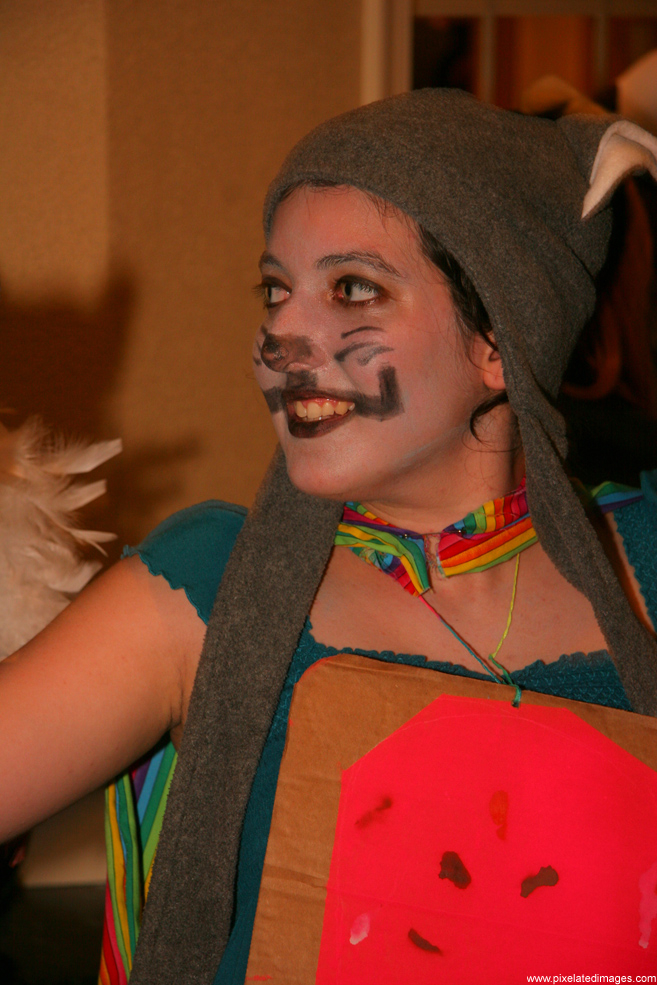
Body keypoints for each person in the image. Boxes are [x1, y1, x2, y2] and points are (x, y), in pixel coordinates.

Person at [2, 90, 657, 984]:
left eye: (352, 288)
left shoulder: (642, 564)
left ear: (499, 339)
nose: (280, 334)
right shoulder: (201, 591)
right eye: (276, 290)